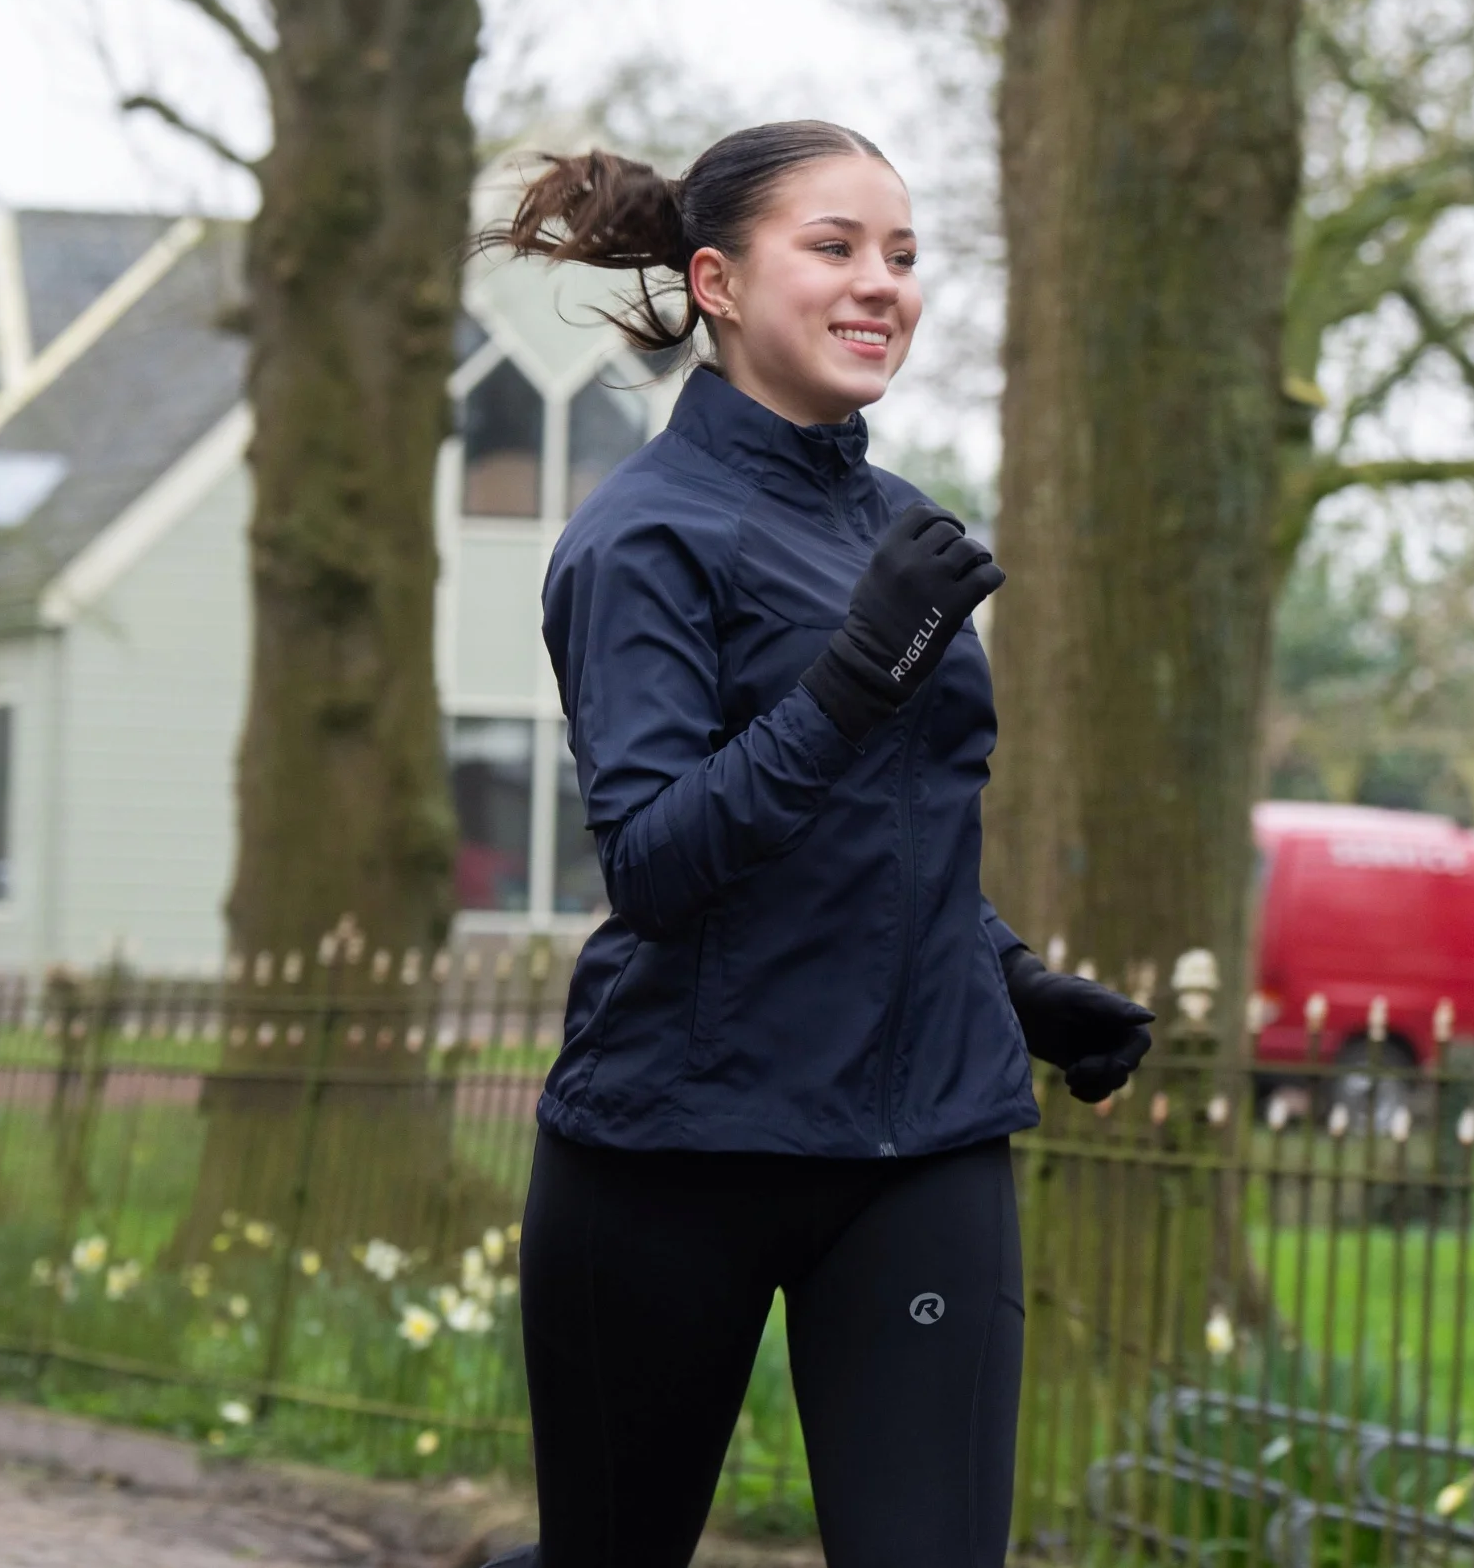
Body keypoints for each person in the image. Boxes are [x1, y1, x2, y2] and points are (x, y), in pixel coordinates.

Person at [478, 122, 1155, 1568]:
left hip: (922, 1142)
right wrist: (858, 674)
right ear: (717, 283)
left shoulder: (900, 528)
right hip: (677, 1149)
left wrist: (1014, 981)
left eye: (902, 254)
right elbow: (655, 859)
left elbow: (893, 825)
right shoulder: (640, 538)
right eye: (835, 247)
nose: (881, 283)